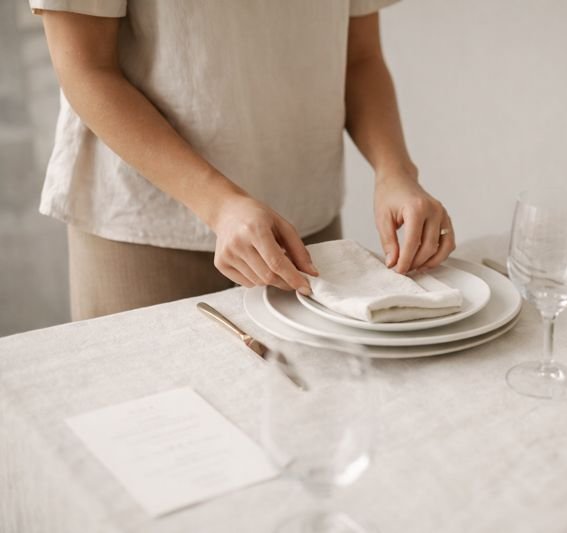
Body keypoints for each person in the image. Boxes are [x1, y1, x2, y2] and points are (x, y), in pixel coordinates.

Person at [32, 0, 455, 320]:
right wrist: (220, 204)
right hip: (146, 232)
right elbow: (85, 69)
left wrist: (396, 172)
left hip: (303, 230)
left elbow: (359, 58)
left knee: (309, 418)